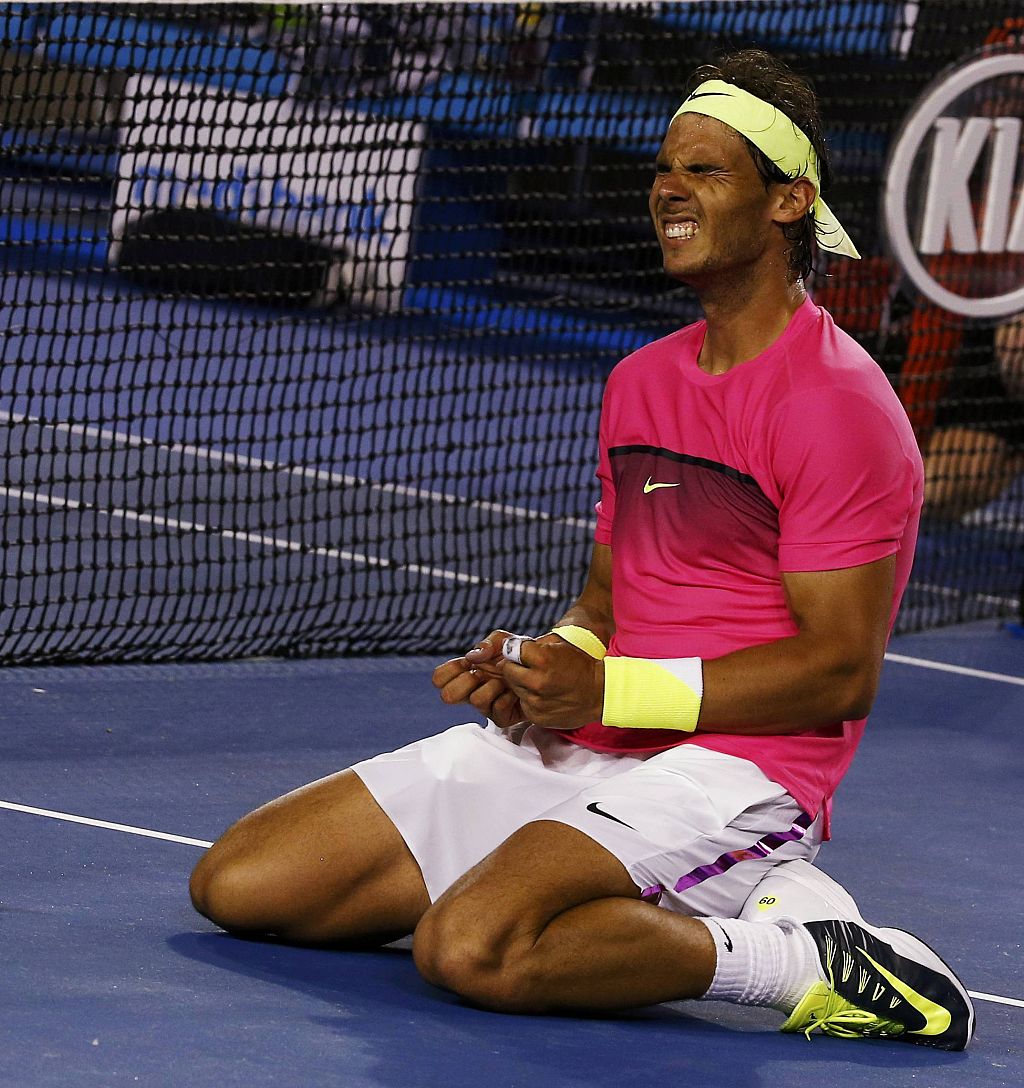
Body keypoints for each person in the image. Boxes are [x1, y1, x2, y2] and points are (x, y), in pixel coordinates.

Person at [188, 49, 975, 1050]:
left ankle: (809, 959)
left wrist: (615, 695)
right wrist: (548, 663)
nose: (668, 191)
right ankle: (747, 892)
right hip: (595, 741)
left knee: (471, 947)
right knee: (242, 881)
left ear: (789, 203)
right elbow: (604, 605)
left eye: (706, 170)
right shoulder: (640, 383)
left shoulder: (837, 405)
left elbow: (838, 670)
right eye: (663, 168)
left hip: (739, 773)